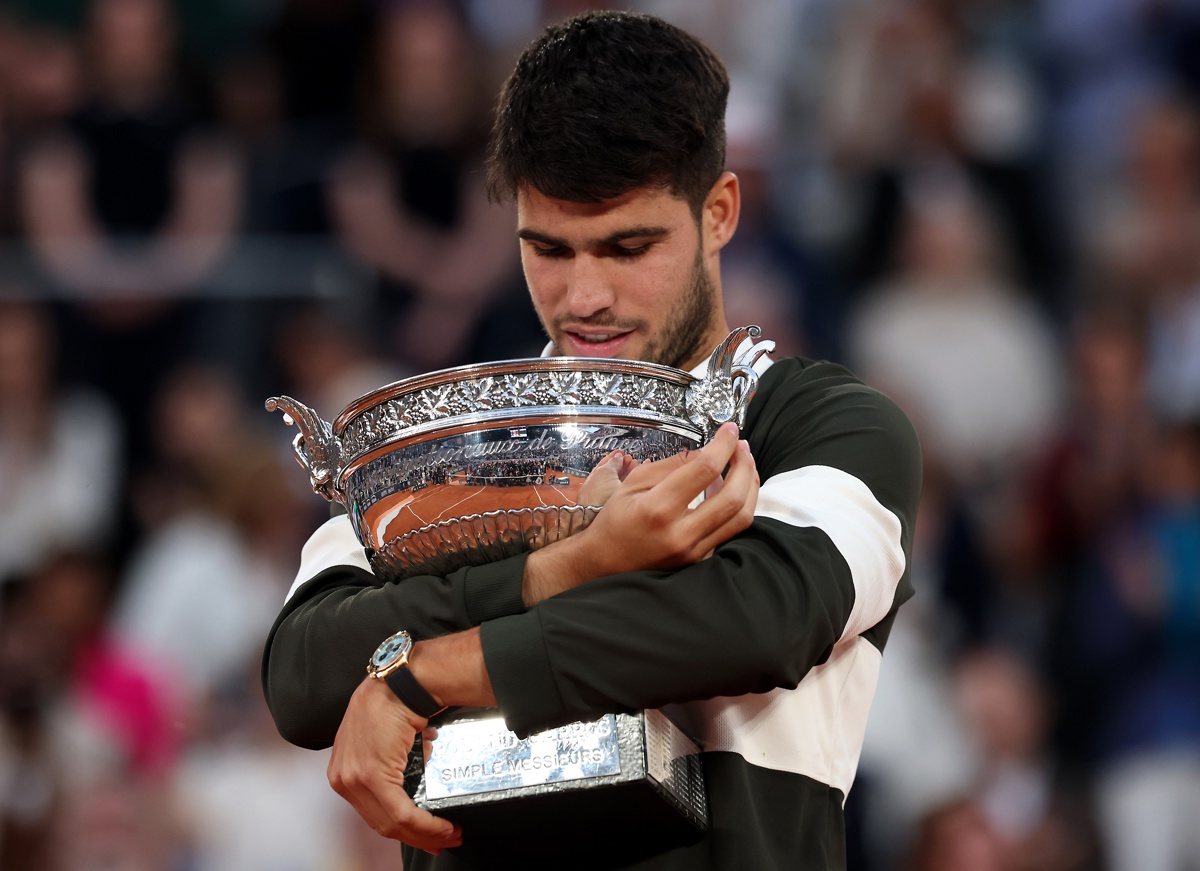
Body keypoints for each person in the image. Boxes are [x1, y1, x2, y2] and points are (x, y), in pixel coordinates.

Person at [261, 11, 921, 870]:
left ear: (719, 212)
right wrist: (570, 564)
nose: (585, 296)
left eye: (628, 246)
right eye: (549, 249)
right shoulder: (456, 440)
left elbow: (755, 619)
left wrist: (424, 673)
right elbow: (305, 670)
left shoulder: (822, 425)